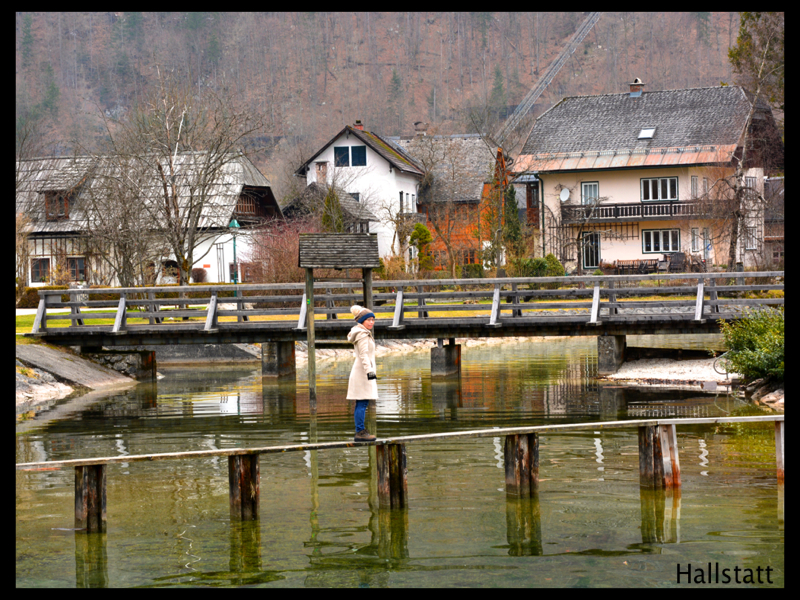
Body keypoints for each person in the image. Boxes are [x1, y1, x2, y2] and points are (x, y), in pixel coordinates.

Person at [347, 305, 378, 442]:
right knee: (362, 403)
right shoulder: (362, 334)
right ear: (362, 321)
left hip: (363, 371)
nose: (371, 322)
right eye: (368, 320)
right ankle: (360, 432)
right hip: (363, 372)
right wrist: (370, 372)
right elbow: (364, 355)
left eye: (373, 320)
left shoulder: (363, 332)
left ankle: (360, 430)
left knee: (361, 403)